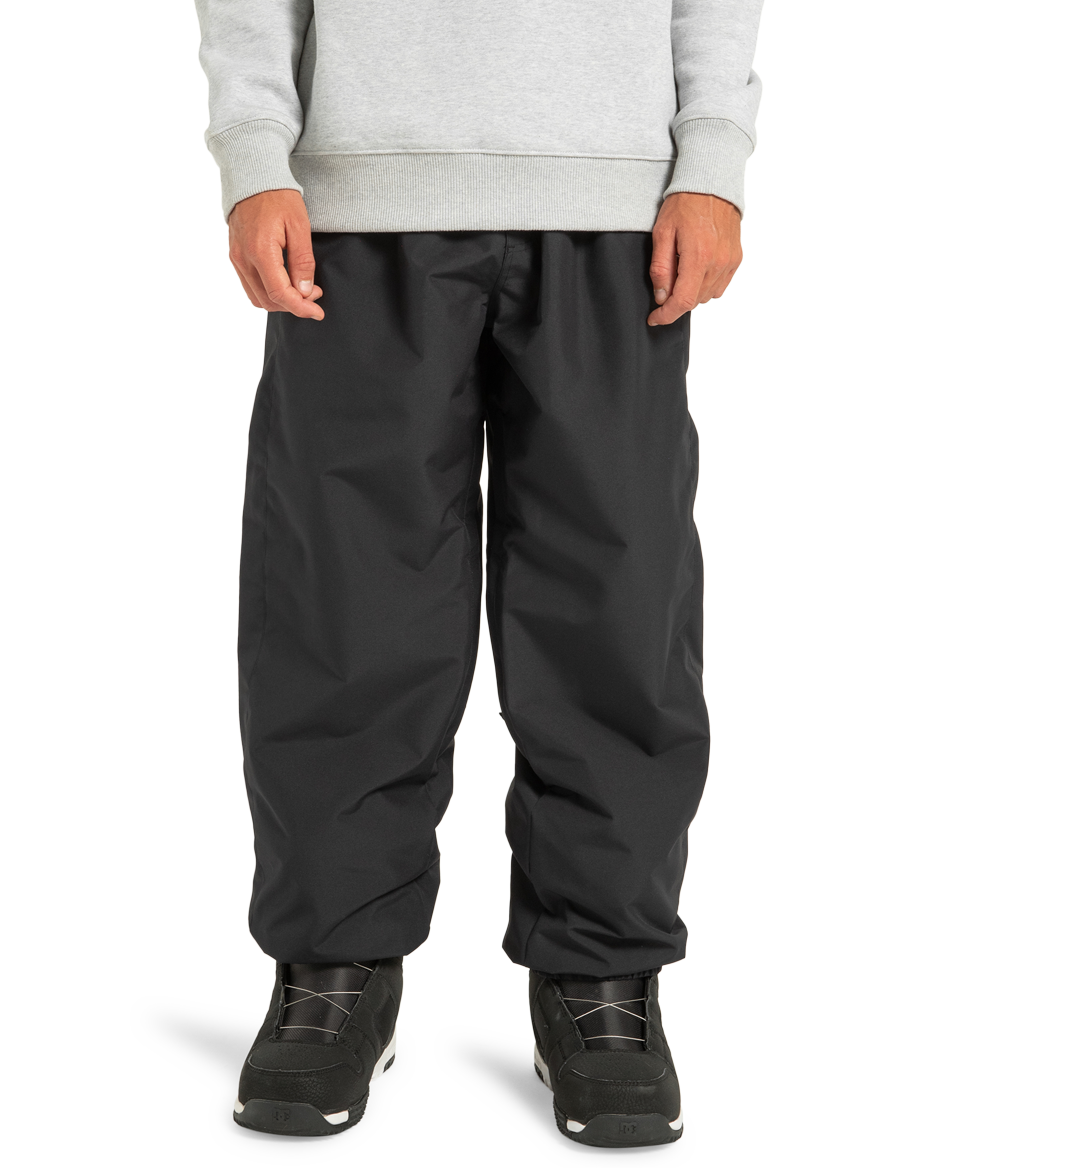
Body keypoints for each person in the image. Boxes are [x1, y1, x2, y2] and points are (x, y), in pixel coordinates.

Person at [193, 0, 762, 1150]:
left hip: (613, 202)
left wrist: (712, 159)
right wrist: (254, 151)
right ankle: (335, 962)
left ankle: (600, 977)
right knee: (345, 612)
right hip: (355, 204)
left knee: (614, 612)